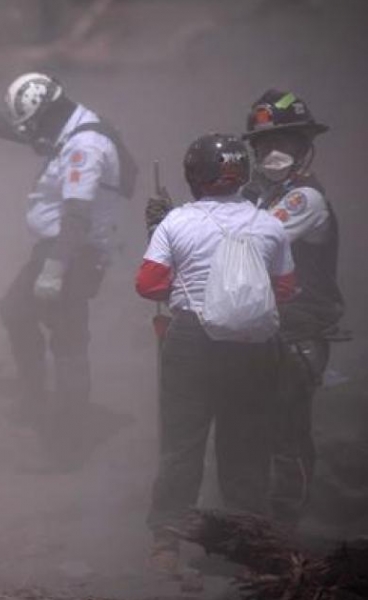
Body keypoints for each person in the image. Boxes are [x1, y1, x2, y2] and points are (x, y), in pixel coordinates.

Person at [0, 71, 134, 468]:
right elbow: (12, 129)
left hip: (73, 251)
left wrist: (55, 270)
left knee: (68, 341)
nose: (29, 134)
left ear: (46, 112)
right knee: (15, 310)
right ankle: (35, 399)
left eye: (32, 125)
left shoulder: (85, 146)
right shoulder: (64, 122)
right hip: (58, 248)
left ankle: (69, 442)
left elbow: (77, 216)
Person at [135, 133, 295, 575]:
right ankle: (250, 549)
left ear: (194, 176)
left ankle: (166, 544)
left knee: (182, 445)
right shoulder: (270, 224)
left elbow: (148, 286)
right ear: (243, 174)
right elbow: (285, 289)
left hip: (191, 342)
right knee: (246, 447)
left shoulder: (177, 223)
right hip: (254, 348)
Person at [242, 90, 343, 528]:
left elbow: (253, 242)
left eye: (284, 142)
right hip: (261, 330)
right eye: (264, 145)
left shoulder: (305, 199)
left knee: (286, 432)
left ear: (305, 146)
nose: (273, 152)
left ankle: (287, 530)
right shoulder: (258, 195)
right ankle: (249, 515)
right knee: (249, 427)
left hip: (298, 332)